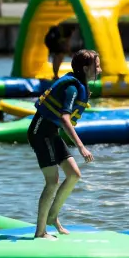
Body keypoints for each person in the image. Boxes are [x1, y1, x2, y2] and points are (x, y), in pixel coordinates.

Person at [28, 49, 100, 239]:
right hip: (40, 132)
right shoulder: (73, 88)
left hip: (50, 133)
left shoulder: (79, 84)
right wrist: (81, 147)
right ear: (85, 68)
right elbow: (65, 118)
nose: (99, 69)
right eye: (97, 66)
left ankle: (52, 217)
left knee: (74, 174)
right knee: (52, 182)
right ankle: (40, 232)